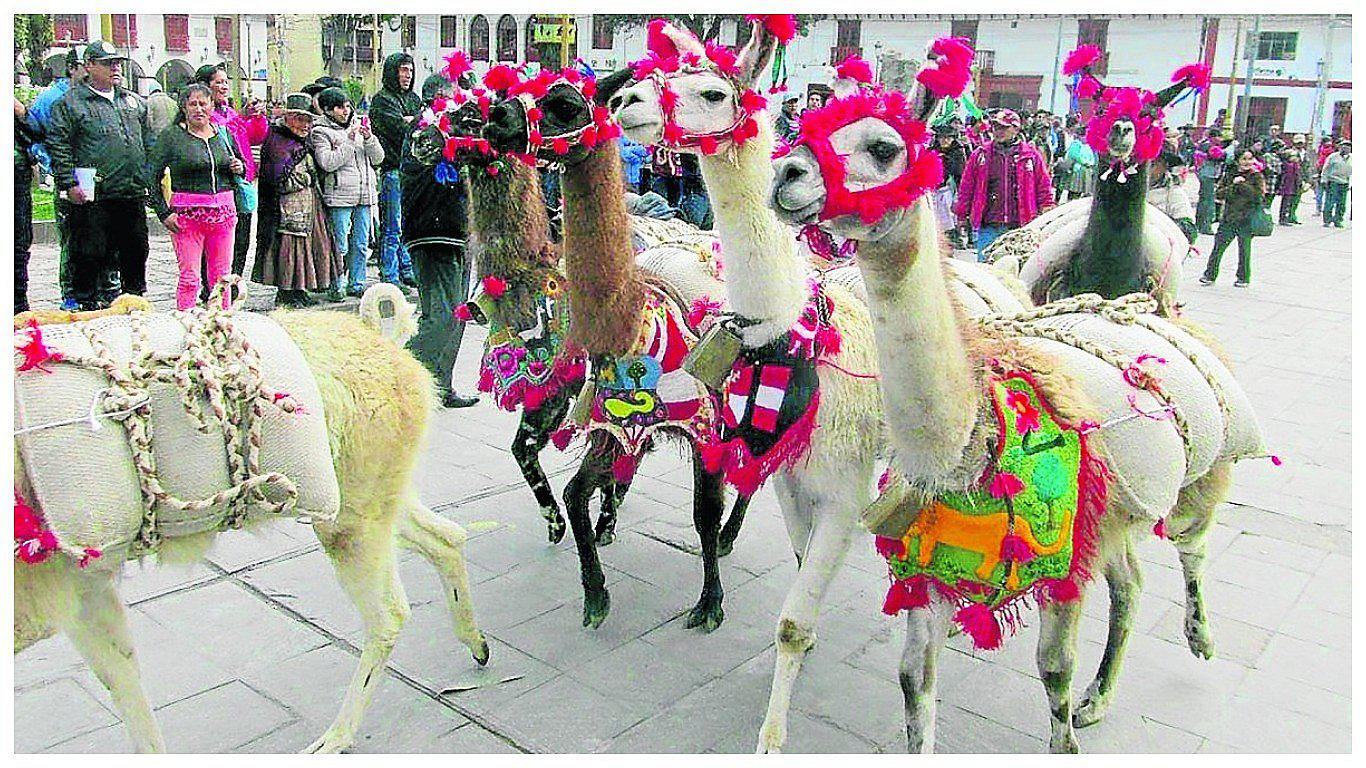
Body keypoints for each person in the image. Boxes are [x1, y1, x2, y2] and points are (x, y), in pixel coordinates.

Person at [46, 40, 154, 310]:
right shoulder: (70, 103)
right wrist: (68, 183)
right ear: (89, 66)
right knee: (89, 254)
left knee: (136, 252)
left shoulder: (132, 101)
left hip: (131, 192)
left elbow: (149, 141)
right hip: (94, 194)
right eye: (107, 63)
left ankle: (135, 303)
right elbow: (59, 146)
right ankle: (85, 303)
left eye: (117, 63)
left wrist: (150, 176)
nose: (115, 68)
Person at [400, 73, 480, 408]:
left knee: (457, 314)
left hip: (458, 230)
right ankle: (397, 378)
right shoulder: (425, 131)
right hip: (432, 232)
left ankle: (440, 385)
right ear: (439, 99)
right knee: (441, 315)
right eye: (456, 95)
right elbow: (433, 163)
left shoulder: (456, 133)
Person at [143, 84, 246, 310]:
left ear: (212, 106)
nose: (198, 109)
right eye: (193, 104)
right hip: (187, 217)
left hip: (224, 215)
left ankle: (222, 324)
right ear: (184, 107)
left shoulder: (224, 134)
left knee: (222, 278)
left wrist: (239, 167)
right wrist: (163, 212)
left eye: (203, 104)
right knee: (190, 277)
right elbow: (151, 174)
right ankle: (186, 323)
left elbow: (244, 167)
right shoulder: (171, 137)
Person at [27, 47, 104, 311]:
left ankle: (100, 292)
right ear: (73, 68)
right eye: (86, 65)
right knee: (72, 240)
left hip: (98, 181)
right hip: (68, 179)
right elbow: (35, 134)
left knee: (99, 241)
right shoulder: (52, 99)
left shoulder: (95, 97)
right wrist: (54, 170)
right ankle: (70, 295)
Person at [253, 92, 340, 307]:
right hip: (286, 208)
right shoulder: (277, 142)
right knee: (289, 247)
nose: (305, 125)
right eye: (300, 119)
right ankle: (286, 292)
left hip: (309, 206)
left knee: (307, 247)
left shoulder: (303, 142)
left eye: (308, 120)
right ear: (288, 118)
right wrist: (306, 177)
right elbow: (277, 179)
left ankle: (300, 290)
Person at [193, 63, 269, 298]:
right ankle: (211, 287)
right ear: (205, 86)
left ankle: (233, 283)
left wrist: (255, 118)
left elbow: (254, 136)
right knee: (216, 242)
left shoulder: (231, 113)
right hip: (218, 186)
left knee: (241, 239)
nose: (224, 86)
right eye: (219, 82)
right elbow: (219, 136)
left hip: (242, 182)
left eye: (226, 82)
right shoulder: (205, 116)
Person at [310, 86, 384, 299]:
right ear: (327, 110)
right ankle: (337, 283)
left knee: (361, 244)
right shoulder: (320, 132)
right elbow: (328, 163)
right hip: (340, 196)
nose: (345, 111)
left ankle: (357, 283)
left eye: (347, 106)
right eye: (340, 108)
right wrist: (350, 141)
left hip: (365, 195)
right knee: (339, 244)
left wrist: (369, 139)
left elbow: (378, 159)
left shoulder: (358, 126)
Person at [954, 109, 1055, 261]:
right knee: (986, 269)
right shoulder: (980, 155)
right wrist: (962, 214)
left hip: (1021, 225)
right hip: (989, 224)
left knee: (1018, 268)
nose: (998, 131)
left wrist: (1047, 209)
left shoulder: (1031, 156)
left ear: (1016, 128)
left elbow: (1043, 186)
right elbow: (966, 187)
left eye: (1003, 128)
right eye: (995, 127)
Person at [369, 52, 422, 289]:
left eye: (410, 70)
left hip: (413, 170)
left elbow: (422, 125)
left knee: (408, 223)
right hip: (392, 169)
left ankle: (406, 268)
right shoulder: (382, 100)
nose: (407, 75)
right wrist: (410, 122)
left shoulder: (414, 99)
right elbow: (400, 128)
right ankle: (389, 274)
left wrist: (411, 120)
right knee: (393, 224)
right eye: (402, 70)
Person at [1200, 149, 1266, 287]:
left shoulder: (1257, 176)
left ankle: (1243, 278)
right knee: (1218, 248)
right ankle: (1210, 275)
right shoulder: (1230, 174)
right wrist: (1234, 185)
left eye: (1250, 159)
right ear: (1237, 161)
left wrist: (1243, 185)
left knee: (1244, 251)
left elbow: (1258, 197)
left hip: (1247, 219)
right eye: (1244, 159)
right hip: (1229, 218)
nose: (1247, 162)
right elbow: (1219, 194)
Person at [15, 98, 40, 313]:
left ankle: (19, 305)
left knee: (18, 245)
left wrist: (21, 112)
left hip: (16, 181)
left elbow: (37, 132)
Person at [929, 122, 967, 245]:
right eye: (942, 137)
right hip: (932, 188)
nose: (945, 140)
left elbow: (960, 174)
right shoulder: (931, 151)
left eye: (948, 138)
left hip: (949, 188)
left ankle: (952, 237)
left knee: (948, 214)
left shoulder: (958, 152)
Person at [1149, 150, 1198, 243]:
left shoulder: (1173, 194)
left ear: (1164, 167)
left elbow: (1190, 231)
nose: (1146, 170)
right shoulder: (1125, 191)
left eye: (1152, 164)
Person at [1194, 131, 1227, 234]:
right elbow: (1220, 156)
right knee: (1208, 200)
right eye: (1219, 137)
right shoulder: (1209, 146)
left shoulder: (1203, 145)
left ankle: (1199, 224)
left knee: (1203, 199)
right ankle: (1205, 226)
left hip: (1203, 173)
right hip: (1208, 174)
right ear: (1213, 137)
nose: (1221, 140)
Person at [1320, 140, 1351, 228]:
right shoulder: (1333, 157)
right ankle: (1327, 220)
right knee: (1330, 202)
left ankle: (1338, 219)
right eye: (1344, 146)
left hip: (1344, 182)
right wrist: (1324, 180)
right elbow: (1326, 168)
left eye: (1348, 147)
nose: (1346, 149)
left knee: (1342, 203)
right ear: (1340, 147)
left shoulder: (1352, 158)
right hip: (1333, 181)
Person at [1277, 144, 1305, 225]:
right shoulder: (1286, 165)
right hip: (1287, 186)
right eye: (1294, 156)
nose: (1296, 158)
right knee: (1285, 203)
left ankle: (1289, 217)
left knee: (1292, 202)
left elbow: (1298, 175)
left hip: (1294, 186)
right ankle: (1282, 218)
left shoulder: (1296, 165)